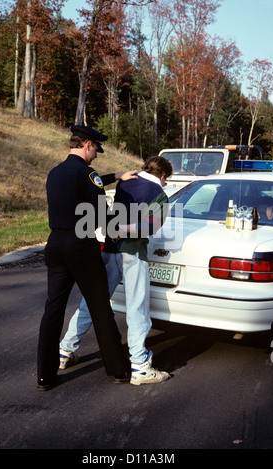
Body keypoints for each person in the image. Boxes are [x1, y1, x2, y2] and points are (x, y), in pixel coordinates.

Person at [37, 125, 137, 391]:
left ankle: (45, 377)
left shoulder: (55, 172)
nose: (96, 156)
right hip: (81, 246)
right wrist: (115, 233)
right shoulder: (88, 173)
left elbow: (84, 185)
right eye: (96, 151)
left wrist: (116, 175)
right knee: (100, 307)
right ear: (89, 145)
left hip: (55, 244)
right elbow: (101, 212)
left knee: (52, 311)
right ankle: (117, 369)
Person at [59, 156, 173, 385]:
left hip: (110, 250)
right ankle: (140, 365)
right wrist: (124, 229)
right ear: (163, 176)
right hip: (133, 253)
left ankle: (65, 351)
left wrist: (114, 228)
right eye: (166, 180)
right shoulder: (159, 194)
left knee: (93, 302)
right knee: (137, 307)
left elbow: (101, 196)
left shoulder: (124, 182)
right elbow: (150, 227)